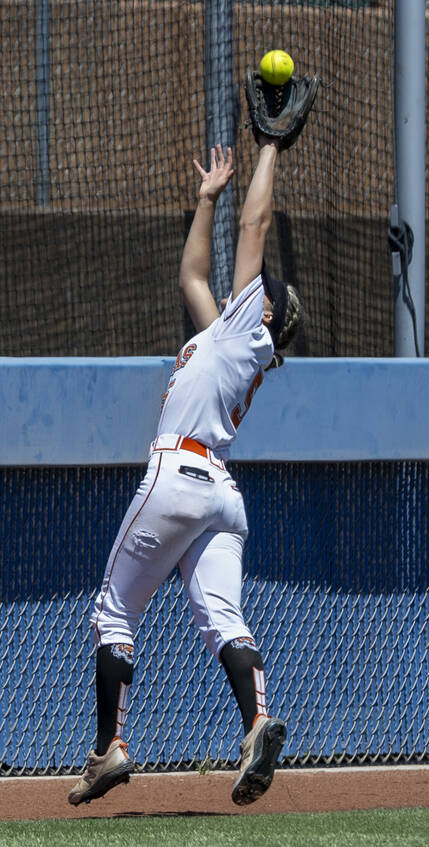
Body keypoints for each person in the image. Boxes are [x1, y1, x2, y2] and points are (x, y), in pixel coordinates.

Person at [67, 137, 306, 807]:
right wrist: (205, 201)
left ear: (261, 314)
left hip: (179, 472)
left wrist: (267, 147)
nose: (250, 283)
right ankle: (257, 721)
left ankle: (109, 747)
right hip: (222, 494)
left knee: (114, 611)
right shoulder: (228, 337)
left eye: (259, 289)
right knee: (222, 617)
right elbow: (192, 280)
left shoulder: (246, 334)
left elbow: (255, 225)